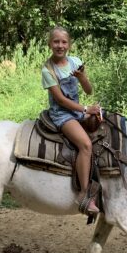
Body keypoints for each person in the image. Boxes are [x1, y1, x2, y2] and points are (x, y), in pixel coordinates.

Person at [41, 26, 102, 215]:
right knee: (85, 145)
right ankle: (84, 194)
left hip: (75, 111)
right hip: (62, 115)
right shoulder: (48, 70)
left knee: (107, 123)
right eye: (56, 42)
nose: (60, 45)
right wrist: (86, 109)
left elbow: (88, 90)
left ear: (69, 44)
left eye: (64, 42)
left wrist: (83, 77)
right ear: (50, 44)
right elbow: (60, 100)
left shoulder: (75, 62)